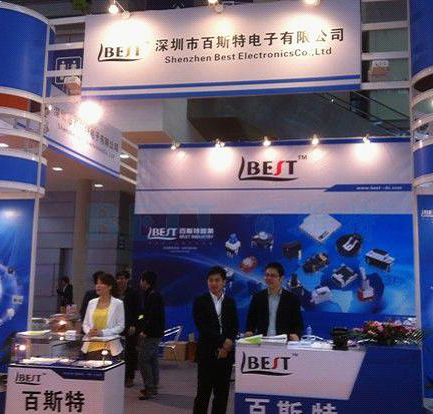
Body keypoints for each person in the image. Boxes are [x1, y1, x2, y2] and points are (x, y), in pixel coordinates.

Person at [193, 266, 239, 414]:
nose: (213, 283)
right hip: (207, 354)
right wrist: (222, 343)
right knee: (203, 394)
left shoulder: (230, 302)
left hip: (226, 356)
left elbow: (234, 326)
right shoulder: (200, 301)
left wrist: (228, 344)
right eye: (211, 280)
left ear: (224, 282)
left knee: (222, 395)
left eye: (217, 280)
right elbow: (203, 327)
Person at [245, 262, 303, 340]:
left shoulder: (292, 299)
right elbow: (251, 321)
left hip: (284, 342)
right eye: (267, 275)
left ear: (281, 278)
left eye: (273, 276)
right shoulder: (257, 297)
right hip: (262, 341)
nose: (269, 278)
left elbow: (298, 323)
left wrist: (296, 335)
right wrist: (249, 331)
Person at [82, 273, 125, 359]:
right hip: (91, 346)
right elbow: (85, 324)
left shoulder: (118, 303)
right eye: (97, 283)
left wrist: (102, 333)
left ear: (110, 287)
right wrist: (89, 331)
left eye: (101, 283)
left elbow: (120, 327)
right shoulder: (91, 302)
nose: (98, 286)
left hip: (109, 348)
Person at [137, 271, 165, 400]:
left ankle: (149, 387)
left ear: (146, 281)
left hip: (152, 334)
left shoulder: (153, 296)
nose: (140, 282)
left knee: (143, 359)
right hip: (155, 333)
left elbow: (152, 316)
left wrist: (145, 331)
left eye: (141, 280)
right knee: (152, 359)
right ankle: (153, 387)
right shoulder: (152, 294)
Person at [116, 270, 140, 388]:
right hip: (116, 327)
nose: (120, 281)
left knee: (130, 352)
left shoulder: (133, 293)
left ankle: (130, 377)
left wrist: (134, 325)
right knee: (117, 352)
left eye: (122, 278)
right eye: (118, 278)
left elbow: (138, 311)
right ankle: (118, 377)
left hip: (129, 327)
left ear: (127, 279)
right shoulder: (114, 293)